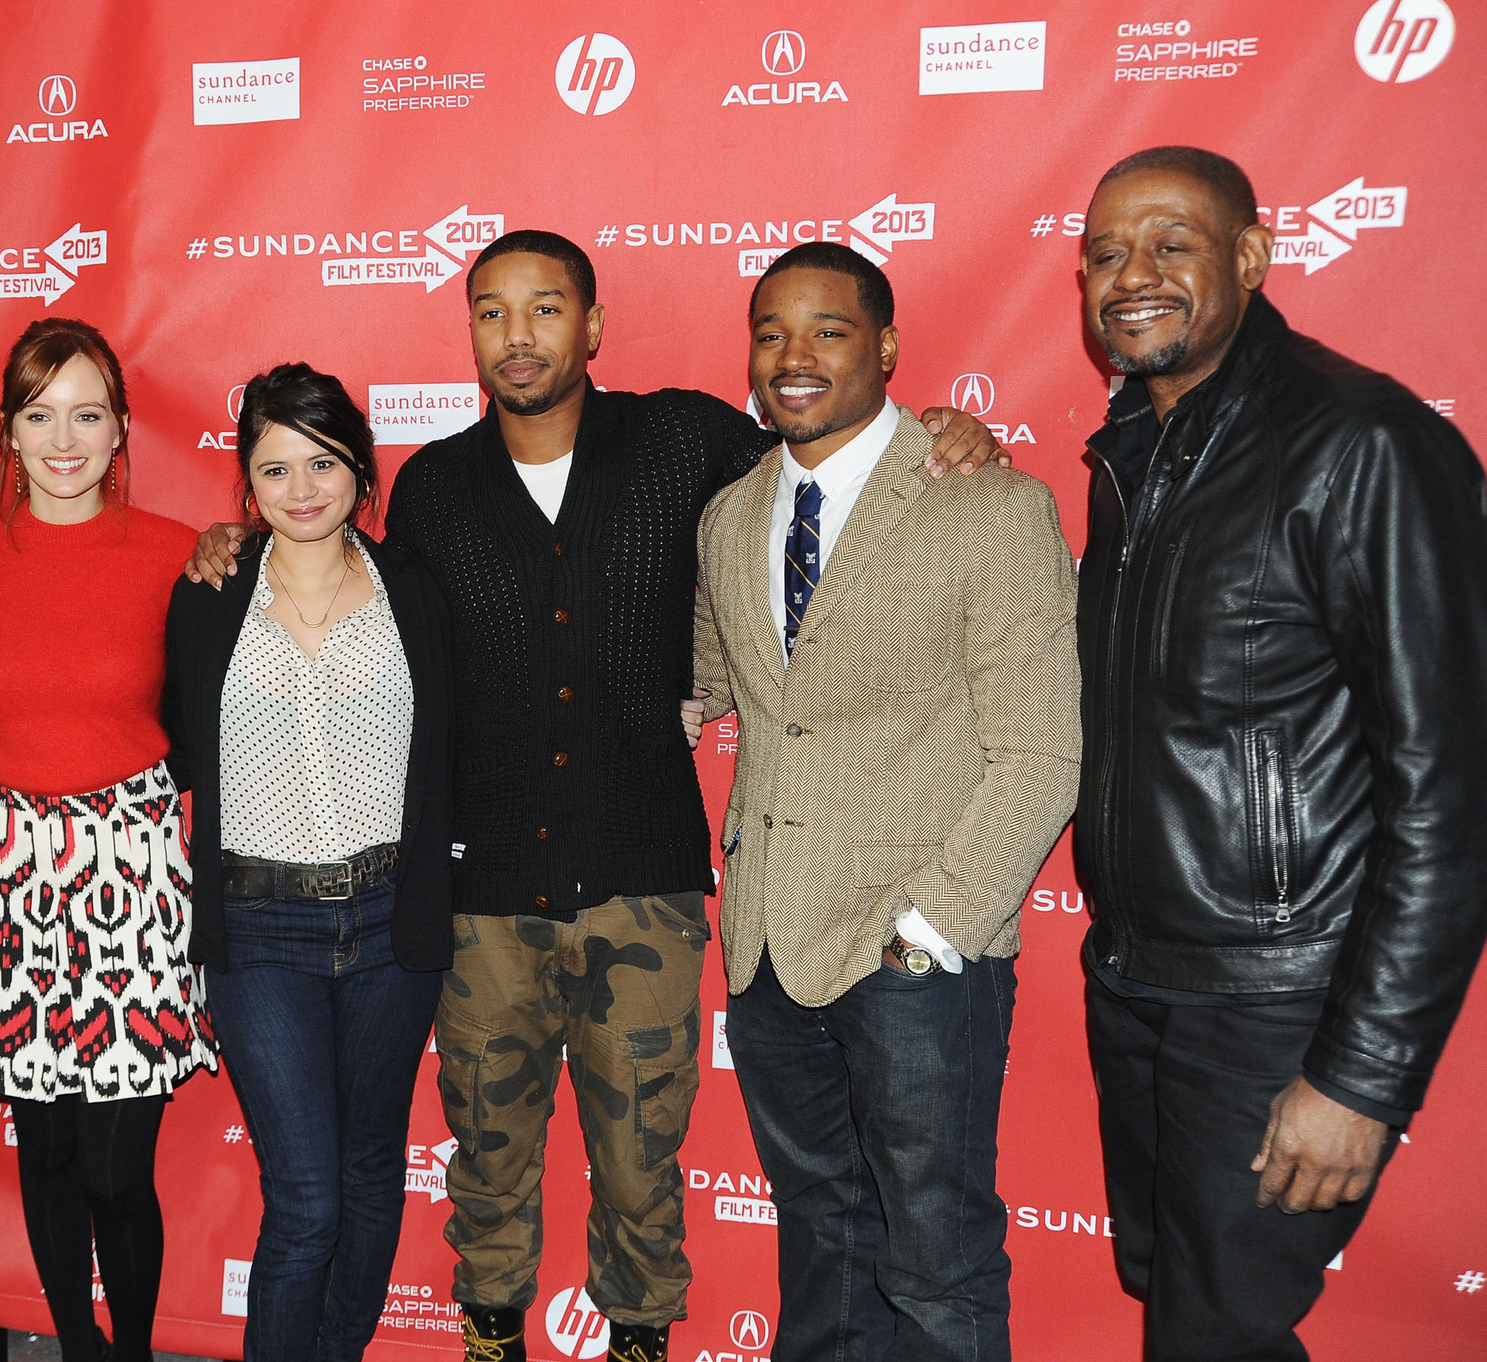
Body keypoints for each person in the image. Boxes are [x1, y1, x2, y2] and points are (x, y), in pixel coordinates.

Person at [185, 230, 1004, 1362]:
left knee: (639, 1158)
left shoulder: (683, 439)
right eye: (490, 313)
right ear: (468, 332)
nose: (516, 337)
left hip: (643, 883)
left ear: (592, 324)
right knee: (488, 1153)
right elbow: (339, 579)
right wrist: (232, 538)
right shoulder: (432, 489)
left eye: (543, 308)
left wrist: (943, 438)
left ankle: (636, 1343)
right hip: (482, 898)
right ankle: (490, 1340)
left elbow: (828, 463)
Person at [1066, 147, 1487, 1360]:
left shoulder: (1357, 441)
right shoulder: (1132, 449)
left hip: (1277, 998)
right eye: (1105, 254)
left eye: (1170, 244)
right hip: (1136, 976)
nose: (1132, 277)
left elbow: (1462, 795)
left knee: (1213, 1332)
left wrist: (1361, 1076)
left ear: (1253, 258)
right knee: (1177, 1300)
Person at [688, 241, 1080, 1361]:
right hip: (767, 944)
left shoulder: (988, 504)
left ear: (887, 348)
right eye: (770, 334)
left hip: (915, 957)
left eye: (827, 330)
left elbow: (1043, 751)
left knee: (936, 1257)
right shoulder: (729, 517)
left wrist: (932, 931)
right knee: (820, 1237)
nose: (793, 357)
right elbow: (717, 687)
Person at [161, 362, 455, 1361]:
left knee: (372, 1170)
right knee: (307, 1200)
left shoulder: (413, 588)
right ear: (245, 482)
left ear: (359, 470)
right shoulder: (207, 594)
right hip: (259, 930)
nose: (300, 490)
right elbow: (157, 736)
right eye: (274, 467)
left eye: (322, 462)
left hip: (389, 923)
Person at [0, 318, 216, 1362]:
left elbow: (209, 714)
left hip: (132, 871)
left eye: (88, 413)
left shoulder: (177, 553)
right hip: (9, 874)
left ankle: (133, 1352)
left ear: (120, 430)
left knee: (115, 1168)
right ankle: (73, 1341)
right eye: (39, 413)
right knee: (45, 1152)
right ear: (9, 432)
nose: (65, 438)